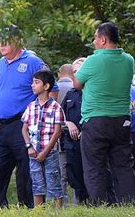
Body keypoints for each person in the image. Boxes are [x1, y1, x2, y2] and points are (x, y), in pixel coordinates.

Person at [0, 24, 52, 209]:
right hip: (0, 126)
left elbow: (51, 89)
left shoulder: (32, 61)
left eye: (6, 41)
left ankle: (29, 206)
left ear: (18, 40)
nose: (2, 45)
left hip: (23, 124)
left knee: (26, 170)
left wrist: (43, 117)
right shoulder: (0, 63)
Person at [73, 22, 135, 204]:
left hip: (96, 120)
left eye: (95, 37)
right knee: (124, 165)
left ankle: (99, 204)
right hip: (122, 120)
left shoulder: (93, 60)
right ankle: (128, 202)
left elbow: (76, 84)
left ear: (103, 39)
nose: (93, 41)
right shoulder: (129, 60)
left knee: (94, 166)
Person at [22, 69, 65, 207]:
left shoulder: (56, 107)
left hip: (50, 151)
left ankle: (58, 211)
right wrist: (29, 146)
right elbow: (24, 129)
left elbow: (57, 132)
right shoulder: (30, 106)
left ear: (46, 86)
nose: (32, 85)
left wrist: (45, 152)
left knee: (53, 180)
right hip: (33, 151)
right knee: (36, 181)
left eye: (36, 82)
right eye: (32, 82)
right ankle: (39, 211)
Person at [60, 60, 90, 204]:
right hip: (72, 144)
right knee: (74, 177)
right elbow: (59, 115)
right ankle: (81, 205)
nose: (76, 75)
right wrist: (68, 123)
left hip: (91, 142)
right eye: (74, 72)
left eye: (80, 71)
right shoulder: (71, 94)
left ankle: (99, 204)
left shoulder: (93, 92)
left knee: (94, 175)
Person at [56, 63, 76, 204]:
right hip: (76, 134)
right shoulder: (76, 88)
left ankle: (61, 203)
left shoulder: (52, 88)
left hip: (58, 137)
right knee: (77, 170)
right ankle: (79, 201)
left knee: (61, 173)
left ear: (59, 74)